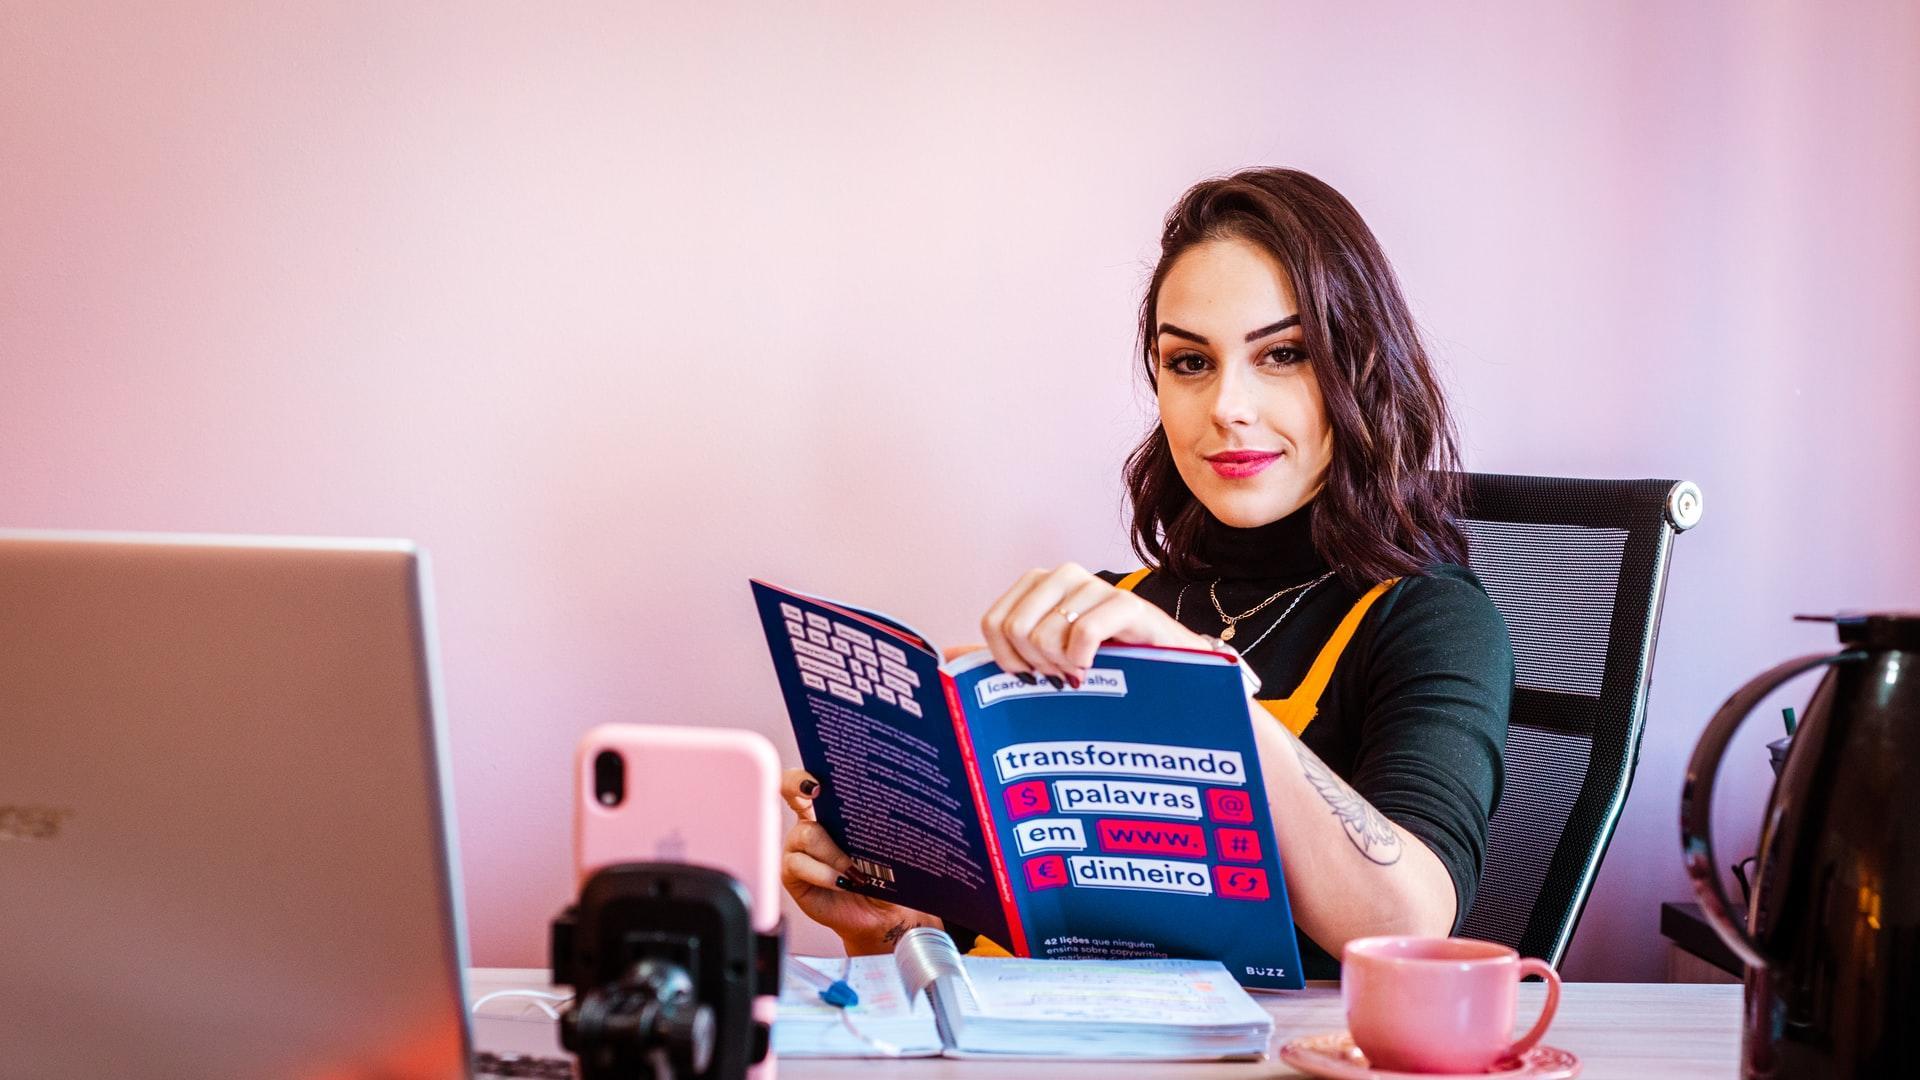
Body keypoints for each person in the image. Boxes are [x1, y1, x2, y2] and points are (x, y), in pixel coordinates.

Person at [779, 167, 1513, 979]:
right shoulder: (1112, 608)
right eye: (1190, 363)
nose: (1228, 405)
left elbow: (1412, 921)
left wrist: (1205, 691)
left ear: (1362, 367)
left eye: (1283, 354)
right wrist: (886, 929)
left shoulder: (1431, 617)